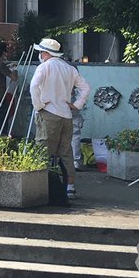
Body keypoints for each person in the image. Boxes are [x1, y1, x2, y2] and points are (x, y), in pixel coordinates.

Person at [29, 38, 91, 198]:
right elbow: (85, 88)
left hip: (48, 113)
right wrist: (77, 104)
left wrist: (39, 105)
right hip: (66, 114)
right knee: (66, 151)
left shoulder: (44, 67)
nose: (40, 55)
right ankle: (70, 187)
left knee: (43, 150)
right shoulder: (69, 68)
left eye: (41, 52)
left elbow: (33, 86)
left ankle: (42, 186)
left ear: (45, 53)